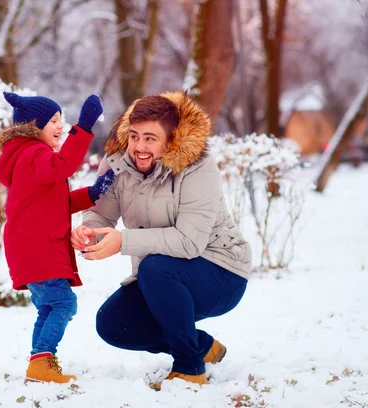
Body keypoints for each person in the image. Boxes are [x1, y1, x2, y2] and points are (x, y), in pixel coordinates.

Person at [71, 91, 251, 388]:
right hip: (161, 277)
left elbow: (189, 242)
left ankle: (189, 369)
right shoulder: (117, 164)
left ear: (171, 139)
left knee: (155, 267)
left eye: (150, 138)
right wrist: (89, 231)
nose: (139, 147)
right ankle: (202, 346)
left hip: (221, 272)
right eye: (134, 136)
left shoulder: (198, 166)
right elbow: (101, 216)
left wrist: (123, 242)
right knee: (113, 325)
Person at [0, 92, 114, 384]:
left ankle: (40, 363)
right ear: (32, 126)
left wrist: (93, 193)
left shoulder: (27, 158)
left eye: (62, 120)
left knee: (49, 306)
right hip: (37, 249)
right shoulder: (34, 154)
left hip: (30, 248)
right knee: (63, 304)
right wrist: (84, 126)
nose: (60, 126)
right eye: (53, 121)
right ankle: (43, 360)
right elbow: (64, 164)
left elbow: (55, 202)